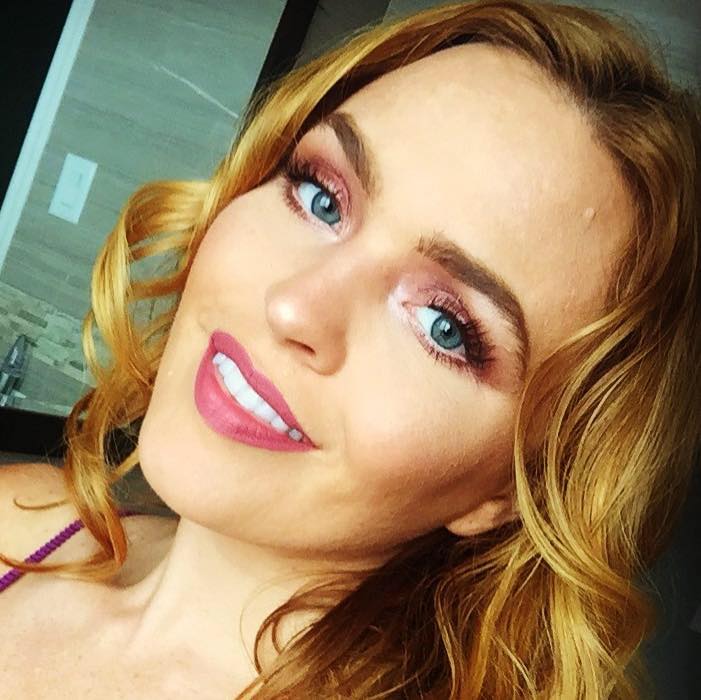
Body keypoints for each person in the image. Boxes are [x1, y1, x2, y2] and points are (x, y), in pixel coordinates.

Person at [1, 0, 699, 697]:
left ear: (512, 489)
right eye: (322, 197)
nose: (293, 305)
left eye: (444, 326)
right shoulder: (21, 517)